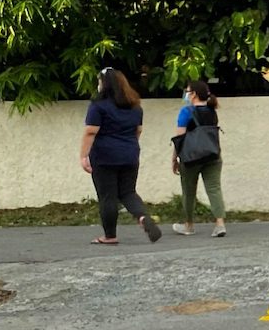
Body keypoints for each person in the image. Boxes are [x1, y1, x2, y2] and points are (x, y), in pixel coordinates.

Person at [80, 68, 161, 245]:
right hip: (130, 154)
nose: (98, 85)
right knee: (128, 192)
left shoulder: (98, 105)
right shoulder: (135, 106)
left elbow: (90, 132)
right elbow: (138, 131)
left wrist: (83, 156)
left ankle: (110, 236)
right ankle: (143, 217)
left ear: (105, 84)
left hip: (104, 156)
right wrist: (128, 146)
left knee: (107, 196)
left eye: (99, 81)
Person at [171, 80, 226, 238]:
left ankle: (189, 225)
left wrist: (174, 158)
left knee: (188, 191)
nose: (186, 94)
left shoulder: (186, 112)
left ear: (193, 94)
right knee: (214, 189)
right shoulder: (212, 110)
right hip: (213, 155)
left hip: (191, 157)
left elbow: (179, 138)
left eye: (187, 91)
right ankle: (220, 224)